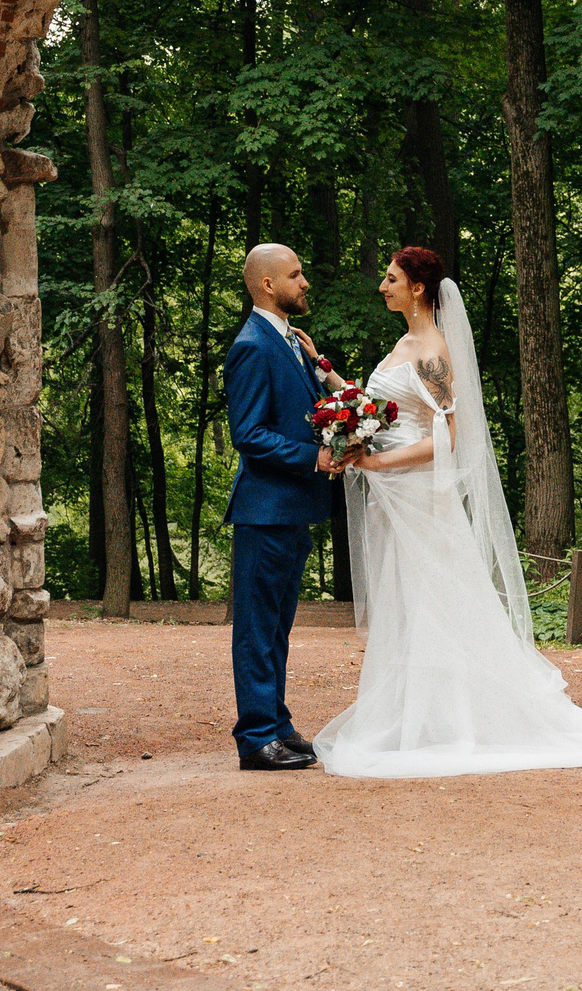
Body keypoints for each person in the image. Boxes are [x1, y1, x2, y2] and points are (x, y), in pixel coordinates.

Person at [310, 245, 582, 779]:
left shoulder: (432, 351)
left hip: (418, 495)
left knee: (437, 601)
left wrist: (377, 461)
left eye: (391, 279)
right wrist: (325, 372)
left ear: (417, 288)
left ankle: (458, 719)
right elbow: (378, 408)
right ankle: (419, 718)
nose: (382, 286)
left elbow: (448, 438)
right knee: (408, 604)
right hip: (395, 498)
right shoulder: (404, 343)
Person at [221, 243, 341, 771]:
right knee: (256, 628)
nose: (304, 282)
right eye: (296, 275)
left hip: (291, 509)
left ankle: (277, 724)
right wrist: (314, 457)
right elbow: (248, 435)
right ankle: (255, 739)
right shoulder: (251, 345)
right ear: (268, 284)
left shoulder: (290, 340)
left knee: (276, 628)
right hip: (264, 511)